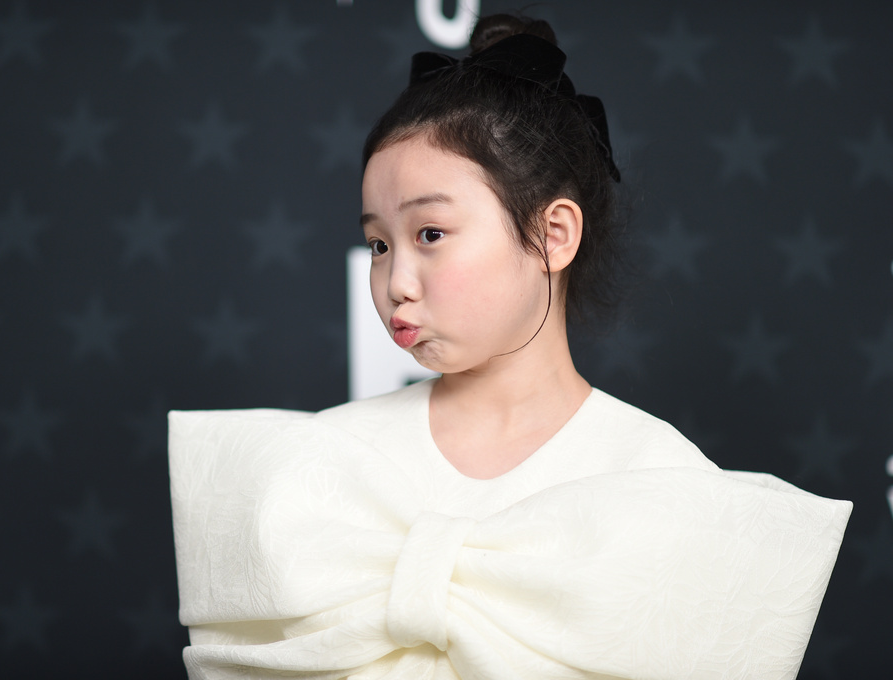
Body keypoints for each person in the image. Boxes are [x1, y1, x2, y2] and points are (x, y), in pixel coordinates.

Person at [168, 14, 851, 680]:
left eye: (430, 233)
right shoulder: (324, 465)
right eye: (379, 244)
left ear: (553, 234)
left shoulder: (661, 480)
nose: (395, 282)